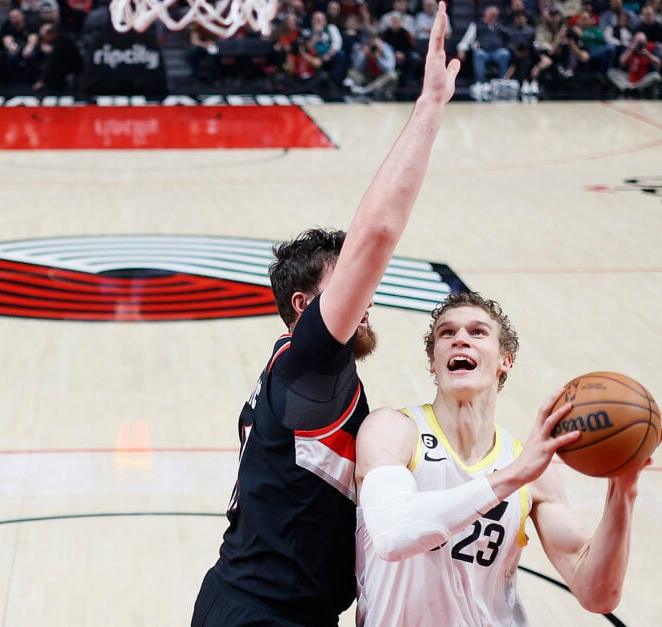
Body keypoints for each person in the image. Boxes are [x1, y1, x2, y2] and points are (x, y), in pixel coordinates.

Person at [190, 4, 460, 626]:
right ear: (306, 307)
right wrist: (429, 108)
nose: (368, 296)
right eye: (349, 286)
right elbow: (379, 232)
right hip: (265, 615)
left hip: (271, 605)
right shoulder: (309, 362)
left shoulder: (295, 383)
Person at [355, 291, 661, 625]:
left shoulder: (529, 470)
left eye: (477, 332)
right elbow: (393, 536)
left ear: (505, 360)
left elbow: (597, 593)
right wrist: (512, 476)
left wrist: (623, 489)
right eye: (447, 333)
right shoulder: (394, 430)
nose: (460, 340)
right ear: (433, 360)